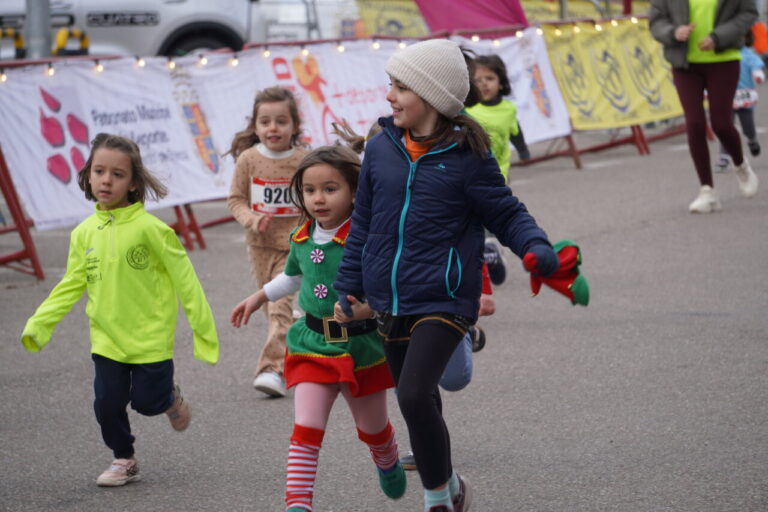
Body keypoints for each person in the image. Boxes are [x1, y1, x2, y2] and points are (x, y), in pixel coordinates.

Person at [332, 38, 560, 512]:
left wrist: (536, 247)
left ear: (432, 96)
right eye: (390, 85)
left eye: (400, 87)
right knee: (419, 403)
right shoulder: (380, 148)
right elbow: (365, 221)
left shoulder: (468, 157)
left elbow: (507, 213)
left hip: (446, 296)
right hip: (389, 298)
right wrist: (349, 283)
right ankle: (453, 486)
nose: (389, 96)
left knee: (414, 393)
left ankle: (437, 499)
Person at [20, 133, 219, 487]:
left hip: (149, 339)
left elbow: (187, 282)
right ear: (88, 175)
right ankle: (123, 458)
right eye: (99, 171)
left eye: (117, 174)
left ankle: (170, 399)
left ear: (134, 183)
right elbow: (70, 284)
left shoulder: (153, 230)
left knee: (147, 402)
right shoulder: (84, 233)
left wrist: (204, 334)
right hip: (107, 339)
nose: (106, 180)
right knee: (106, 405)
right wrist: (40, 323)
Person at [230, 146, 407, 512]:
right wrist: (258, 296)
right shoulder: (301, 236)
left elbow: (389, 285)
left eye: (330, 188)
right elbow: (292, 278)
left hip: (361, 347)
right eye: (310, 191)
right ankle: (298, 504)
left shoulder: (366, 236)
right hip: (311, 342)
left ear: (354, 191)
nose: (318, 198)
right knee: (306, 428)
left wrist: (367, 308)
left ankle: (386, 457)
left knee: (373, 429)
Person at [227, 86, 309, 397]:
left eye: (281, 121)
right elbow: (235, 199)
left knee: (277, 307)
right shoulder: (249, 159)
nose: (273, 128)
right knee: (273, 309)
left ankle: (272, 370)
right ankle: (295, 329)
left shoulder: (303, 159)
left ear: (294, 125)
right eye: (265, 122)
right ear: (255, 126)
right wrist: (251, 218)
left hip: (294, 247)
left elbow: (315, 194)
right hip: (259, 246)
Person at [650, 0, 759, 213]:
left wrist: (718, 37)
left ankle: (741, 166)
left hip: (723, 60)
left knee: (721, 124)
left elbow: (747, 14)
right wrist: (673, 32)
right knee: (695, 123)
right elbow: (656, 21)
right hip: (685, 64)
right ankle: (707, 191)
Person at [465, 53, 531, 183]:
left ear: (501, 83)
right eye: (478, 80)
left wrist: (523, 151)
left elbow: (515, 132)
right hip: (473, 172)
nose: (484, 84)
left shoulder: (509, 109)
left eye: (489, 78)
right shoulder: (467, 110)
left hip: (500, 171)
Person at [715, 29, 765, 172]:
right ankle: (724, 157)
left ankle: (752, 139)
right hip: (726, 96)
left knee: (747, 125)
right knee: (724, 127)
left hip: (744, 97)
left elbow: (756, 67)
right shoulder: (721, 55)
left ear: (746, 38)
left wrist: (758, 75)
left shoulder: (748, 54)